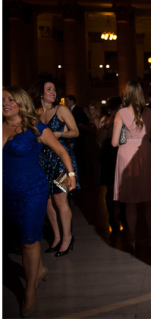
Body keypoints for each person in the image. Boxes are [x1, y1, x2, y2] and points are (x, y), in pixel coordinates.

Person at [4, 86, 77, 317]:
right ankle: (47, 256)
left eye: (9, 99)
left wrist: (71, 176)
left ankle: (30, 291)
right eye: (1, 99)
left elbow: (63, 149)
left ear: (21, 102)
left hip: (33, 186)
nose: (4, 103)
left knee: (32, 235)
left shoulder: (39, 123)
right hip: (6, 189)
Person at [31, 78, 80, 257]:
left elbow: (76, 131)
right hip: (42, 160)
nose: (53, 92)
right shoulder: (34, 113)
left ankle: (67, 238)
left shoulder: (62, 109)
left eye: (54, 89)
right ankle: (57, 237)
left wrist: (60, 133)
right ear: (40, 92)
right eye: (49, 89)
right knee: (47, 201)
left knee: (60, 199)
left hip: (61, 160)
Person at [111, 81, 151, 250]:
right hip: (145, 153)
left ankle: (132, 237)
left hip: (127, 155)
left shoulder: (122, 113)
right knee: (149, 200)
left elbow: (113, 142)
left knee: (130, 201)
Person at [98, 96, 126, 231]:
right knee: (110, 187)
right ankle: (111, 217)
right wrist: (108, 124)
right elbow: (100, 138)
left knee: (123, 186)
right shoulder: (105, 119)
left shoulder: (125, 118)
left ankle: (123, 214)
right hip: (110, 153)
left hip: (122, 151)